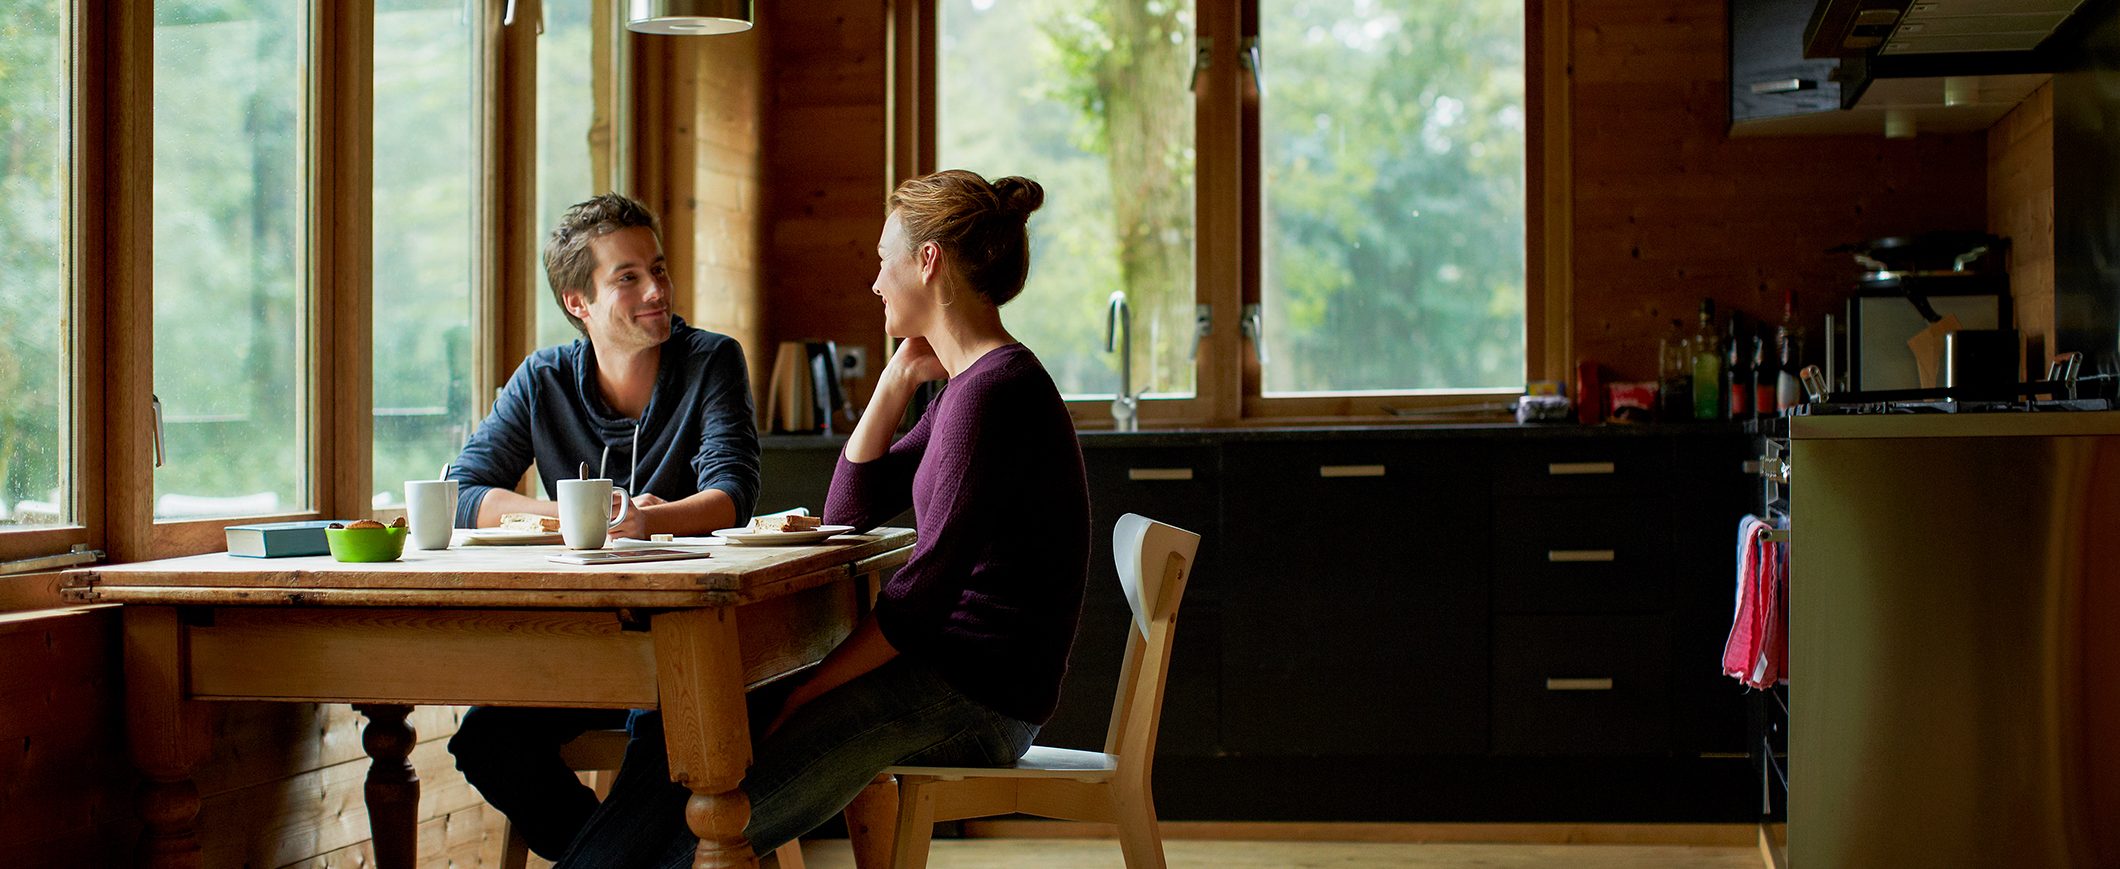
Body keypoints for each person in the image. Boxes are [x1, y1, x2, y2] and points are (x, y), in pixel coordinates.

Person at [553, 169, 1090, 868]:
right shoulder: (968, 388)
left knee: (713, 827)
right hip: (947, 675)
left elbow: (918, 604)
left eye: (881, 260)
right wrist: (898, 378)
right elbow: (849, 509)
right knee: (684, 733)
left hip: (978, 698)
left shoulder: (993, 394)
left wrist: (807, 687)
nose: (874, 282)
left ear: (927, 262)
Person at [445, 192, 763, 862]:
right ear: (576, 302)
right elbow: (465, 490)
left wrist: (649, 520)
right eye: (629, 276)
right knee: (485, 740)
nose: (657, 289)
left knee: (673, 743)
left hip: (684, 652)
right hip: (581, 648)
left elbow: (731, 493)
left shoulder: (711, 362)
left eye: (659, 268)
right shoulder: (543, 379)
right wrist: (560, 515)